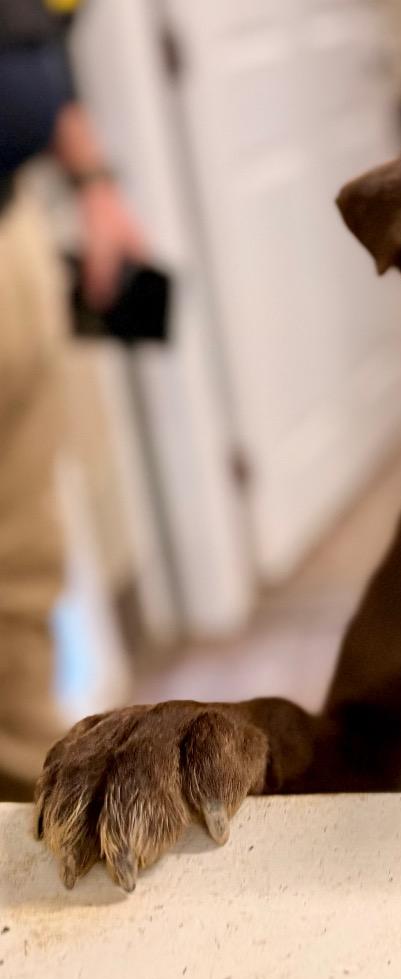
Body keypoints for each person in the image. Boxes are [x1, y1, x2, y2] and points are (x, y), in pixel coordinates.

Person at [0, 0, 147, 798]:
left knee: (22, 568)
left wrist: (92, 181)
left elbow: (32, 27)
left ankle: (29, 814)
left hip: (10, 228)